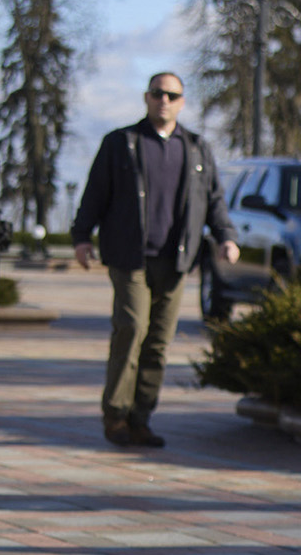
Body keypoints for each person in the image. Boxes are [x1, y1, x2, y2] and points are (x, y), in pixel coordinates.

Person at [71, 72, 238, 448]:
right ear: (146, 98)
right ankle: (116, 415)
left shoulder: (196, 148)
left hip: (175, 260)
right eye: (157, 93)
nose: (164, 100)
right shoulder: (121, 143)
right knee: (131, 329)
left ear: (182, 102)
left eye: (172, 95)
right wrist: (81, 238)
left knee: (159, 342)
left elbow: (214, 200)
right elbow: (95, 193)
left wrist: (226, 236)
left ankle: (140, 418)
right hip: (130, 257)